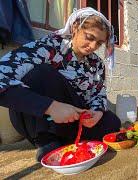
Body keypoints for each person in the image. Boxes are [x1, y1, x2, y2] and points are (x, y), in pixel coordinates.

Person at [0, 8, 121, 161]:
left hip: (73, 120)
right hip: (42, 119)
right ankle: (46, 140)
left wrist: (96, 112)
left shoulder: (96, 64)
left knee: (112, 121)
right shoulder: (50, 46)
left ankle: (68, 140)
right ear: (76, 27)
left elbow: (98, 93)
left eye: (99, 43)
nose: (92, 46)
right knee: (42, 72)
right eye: (89, 37)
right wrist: (51, 106)